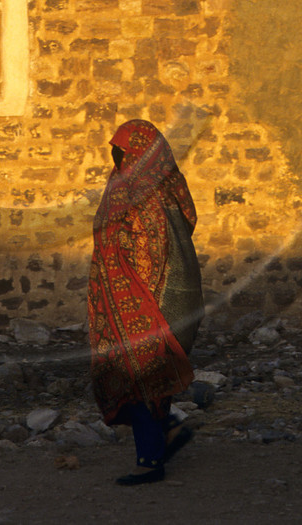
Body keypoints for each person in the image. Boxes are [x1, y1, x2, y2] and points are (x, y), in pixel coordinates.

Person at [87, 119, 203, 486]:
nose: (117, 156)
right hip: (119, 301)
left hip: (142, 302)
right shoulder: (132, 186)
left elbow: (155, 253)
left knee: (138, 377)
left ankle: (150, 461)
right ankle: (167, 429)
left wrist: (142, 308)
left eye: (124, 150)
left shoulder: (147, 193)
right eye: (116, 149)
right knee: (141, 379)